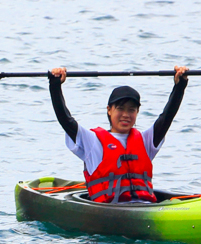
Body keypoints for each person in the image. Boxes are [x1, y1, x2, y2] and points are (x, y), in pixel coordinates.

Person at [48, 64, 190, 203]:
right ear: (109, 110)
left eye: (131, 110)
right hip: (110, 211)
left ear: (137, 112)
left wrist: (180, 86)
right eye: (120, 109)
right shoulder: (92, 141)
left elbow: (167, 117)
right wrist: (55, 85)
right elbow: (66, 120)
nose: (126, 115)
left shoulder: (146, 140)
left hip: (145, 207)